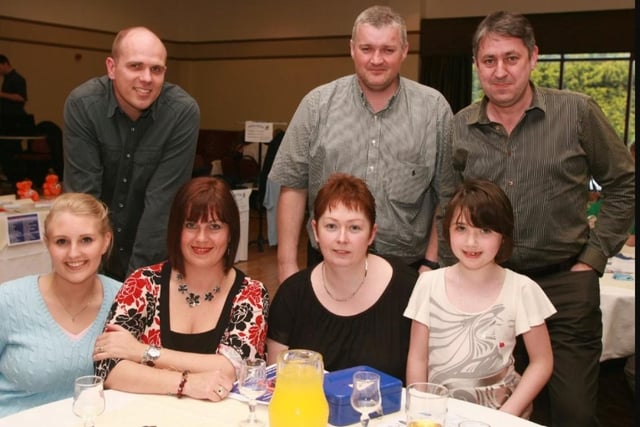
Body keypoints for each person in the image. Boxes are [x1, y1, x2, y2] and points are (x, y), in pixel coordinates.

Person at [438, 11, 635, 427]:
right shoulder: (459, 127)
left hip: (564, 286)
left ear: (533, 58)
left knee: (573, 413)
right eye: (489, 60)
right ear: (476, 64)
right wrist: (446, 276)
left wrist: (593, 258)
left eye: (512, 58)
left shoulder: (577, 113)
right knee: (490, 407)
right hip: (488, 287)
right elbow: (447, 204)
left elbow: (625, 184)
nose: (501, 71)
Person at [268, 5, 452, 284]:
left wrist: (430, 263)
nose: (376, 59)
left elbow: (447, 195)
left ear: (404, 50)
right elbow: (293, 186)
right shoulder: (316, 105)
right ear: (352, 49)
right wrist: (287, 267)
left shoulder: (434, 110)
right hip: (326, 266)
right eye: (367, 49)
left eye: (388, 50)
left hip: (408, 270)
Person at [93, 177, 269, 402]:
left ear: (230, 233)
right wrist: (186, 384)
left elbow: (232, 369)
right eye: (190, 225)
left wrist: (141, 352)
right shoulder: (143, 283)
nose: (201, 238)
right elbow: (108, 368)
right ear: (176, 230)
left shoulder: (251, 294)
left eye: (214, 226)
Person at [405, 179, 555, 418]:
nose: (471, 242)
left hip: (500, 411)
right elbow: (418, 357)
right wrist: (421, 410)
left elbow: (542, 361)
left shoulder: (522, 289)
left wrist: (507, 414)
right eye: (461, 228)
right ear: (447, 231)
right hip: (439, 412)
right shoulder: (428, 284)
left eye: (485, 231)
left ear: (503, 236)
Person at [63, 26, 200, 282]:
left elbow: (162, 204)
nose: (147, 78)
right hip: (91, 259)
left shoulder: (181, 112)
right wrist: (92, 280)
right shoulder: (83, 105)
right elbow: (83, 202)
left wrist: (135, 287)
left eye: (156, 69)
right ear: (112, 68)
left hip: (153, 259)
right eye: (135, 66)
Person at [267, 173, 418, 382]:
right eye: (331, 226)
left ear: (372, 234)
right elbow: (277, 381)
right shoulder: (292, 294)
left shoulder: (407, 288)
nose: (342, 239)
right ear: (315, 231)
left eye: (354, 228)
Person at [0, 193, 121, 417]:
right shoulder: (8, 301)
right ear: (47, 244)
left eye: (86, 240)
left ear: (105, 241)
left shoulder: (124, 300)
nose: (73, 253)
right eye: (61, 242)